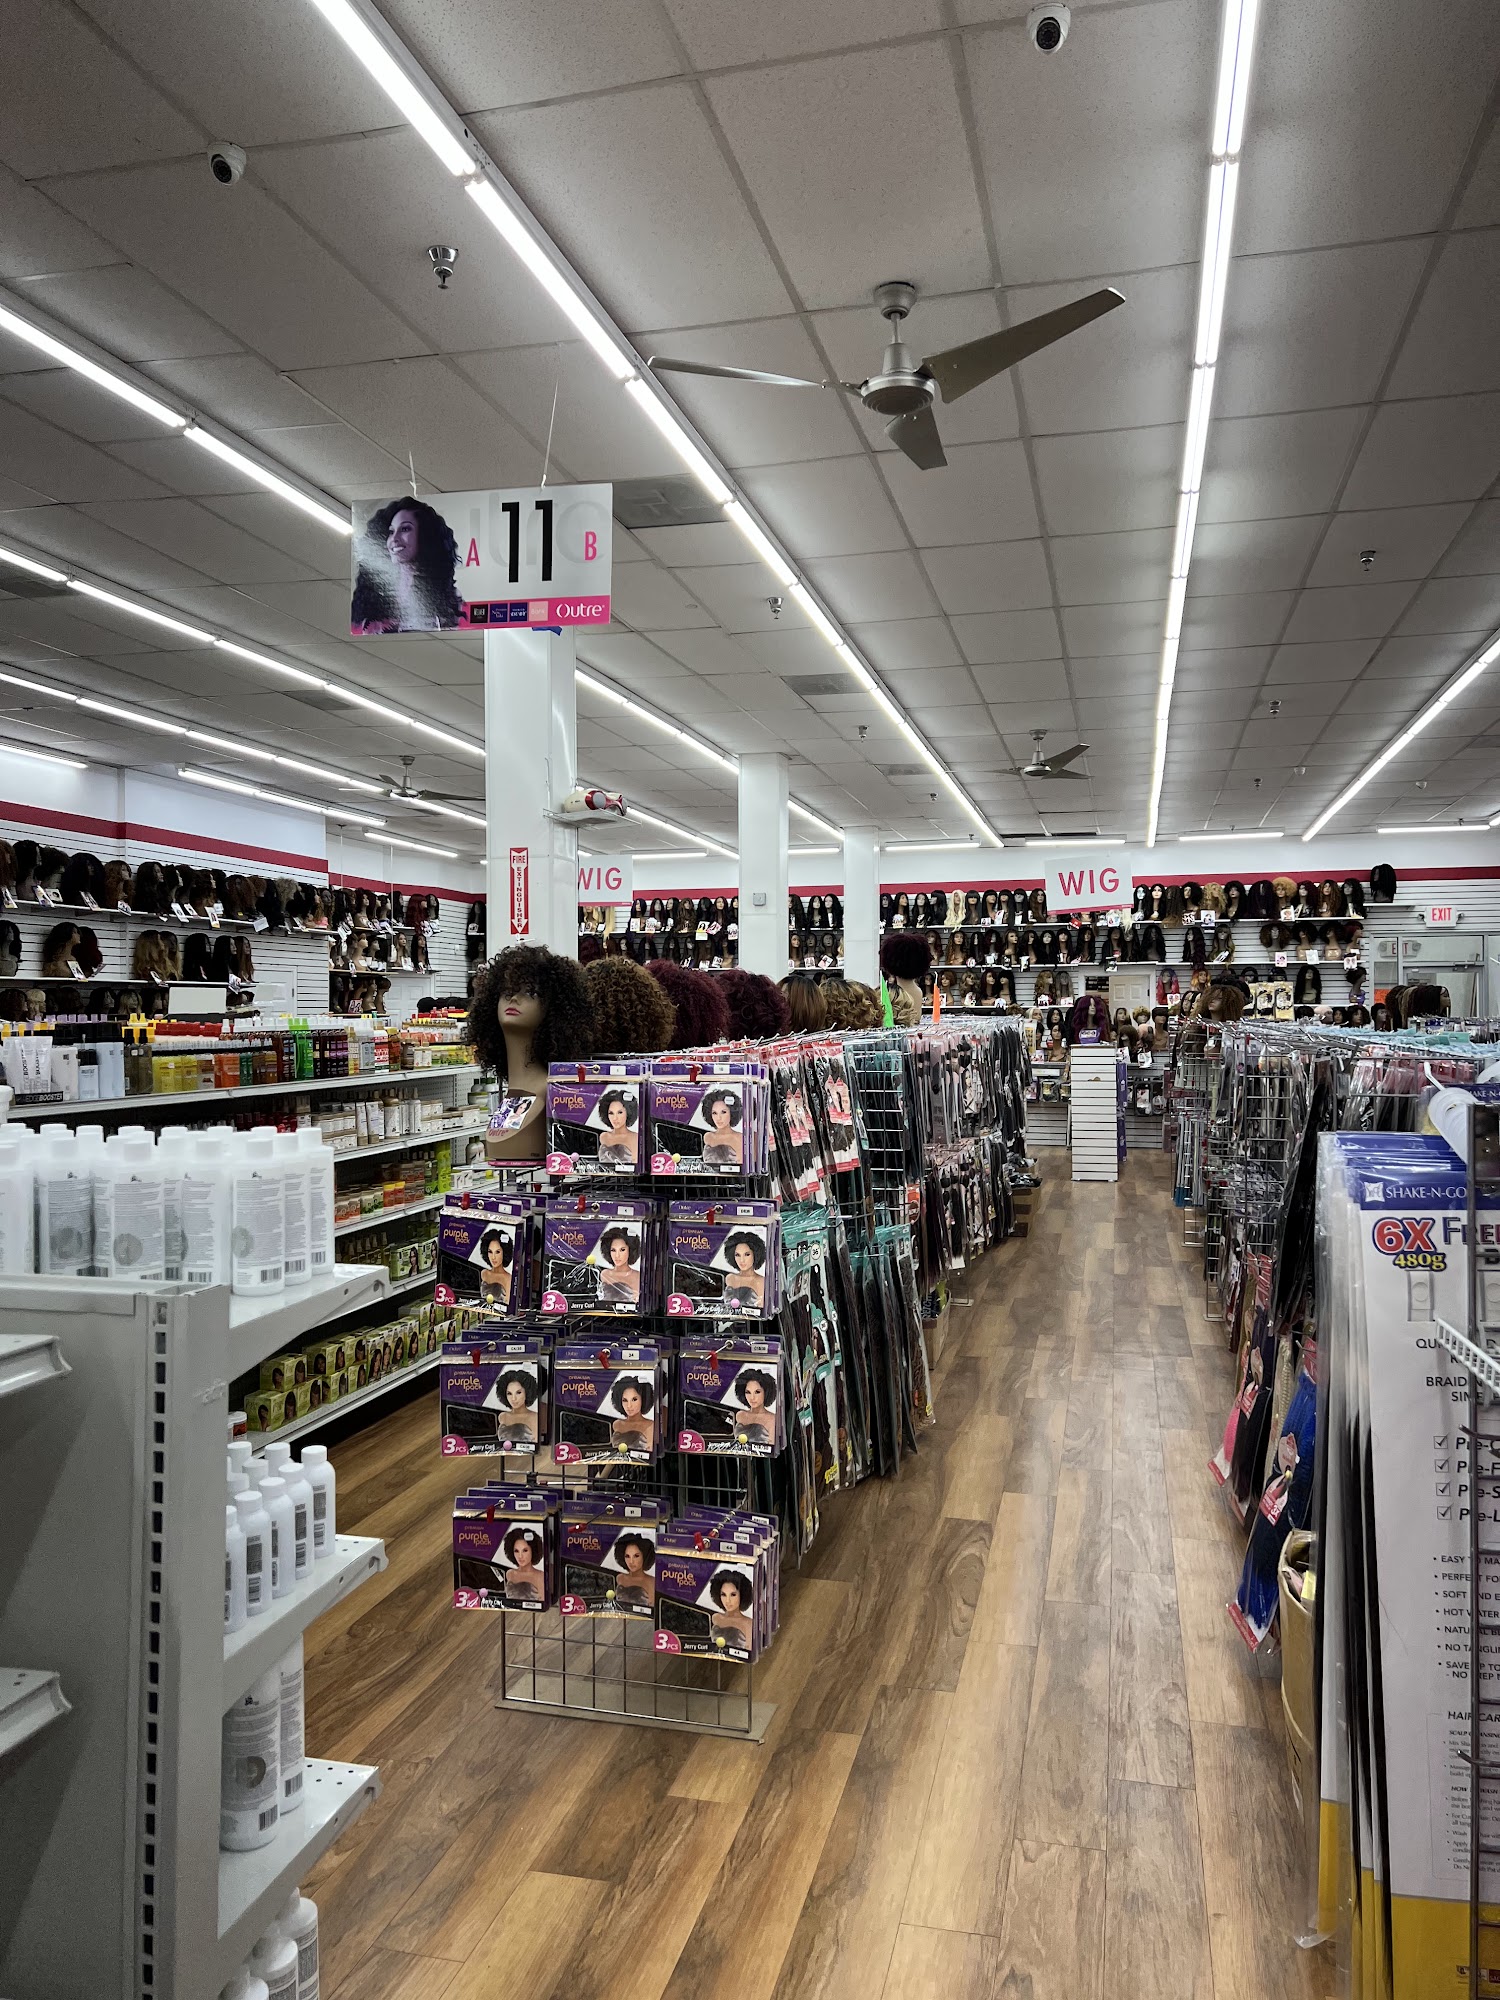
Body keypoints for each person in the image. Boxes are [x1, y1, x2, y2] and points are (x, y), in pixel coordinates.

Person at [350, 498, 464, 633]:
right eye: (391, 531)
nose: (394, 538)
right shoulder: (371, 596)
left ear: (425, 536)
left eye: (405, 529)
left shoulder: (448, 599)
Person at [708, 1568, 753, 1650]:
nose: (728, 1601)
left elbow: (749, 1652)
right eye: (723, 1595)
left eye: (733, 1595)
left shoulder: (748, 1624)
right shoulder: (716, 1617)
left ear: (742, 1594)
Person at [611, 1531, 656, 1610]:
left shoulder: (652, 1582)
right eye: (627, 1556)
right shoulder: (619, 1578)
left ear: (645, 1556)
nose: (631, 1561)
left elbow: (653, 1612)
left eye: (636, 1556)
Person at [732, 1366, 777, 1444]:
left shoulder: (772, 1419)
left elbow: (773, 1447)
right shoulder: (740, 1415)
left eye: (757, 1392)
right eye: (748, 1392)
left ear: (766, 1392)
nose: (752, 1398)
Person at [723, 1232, 766, 1310]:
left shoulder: (761, 1281)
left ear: (755, 1255)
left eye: (747, 1254)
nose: (742, 1260)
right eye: (737, 1255)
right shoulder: (730, 1278)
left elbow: (762, 1311)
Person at [494, 1367, 537, 1445]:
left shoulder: (534, 1417)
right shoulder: (503, 1416)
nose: (513, 1398)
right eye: (509, 1393)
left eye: (518, 1392)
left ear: (527, 1392)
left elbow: (536, 1446)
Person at [596, 1227, 640, 1304]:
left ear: (630, 1250)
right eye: (613, 1250)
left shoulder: (638, 1276)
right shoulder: (604, 1274)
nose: (617, 1255)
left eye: (622, 1250)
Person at [610, 1375, 654, 1451]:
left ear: (643, 1399)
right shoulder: (617, 1424)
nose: (629, 1406)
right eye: (625, 1400)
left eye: (634, 1399)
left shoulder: (650, 1426)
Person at [503, 1524, 545, 1603]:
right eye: (516, 1551)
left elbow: (543, 1604)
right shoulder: (510, 1574)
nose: (520, 1556)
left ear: (533, 1550)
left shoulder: (540, 1576)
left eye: (525, 1550)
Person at [701, 1087, 743, 1166]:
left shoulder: (739, 1138)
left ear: (732, 1112)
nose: (719, 1118)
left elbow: (742, 1168)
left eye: (723, 1112)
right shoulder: (708, 1136)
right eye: (714, 1113)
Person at [597, 1087, 638, 1165]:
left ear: (628, 1113)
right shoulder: (603, 1136)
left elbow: (636, 1166)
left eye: (620, 1112)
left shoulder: (635, 1138)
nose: (615, 1118)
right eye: (611, 1113)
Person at [478, 1227, 512, 1305]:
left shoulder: (508, 1279)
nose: (493, 1257)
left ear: (505, 1252)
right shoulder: (484, 1273)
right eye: (490, 1252)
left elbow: (509, 1306)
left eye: (497, 1252)